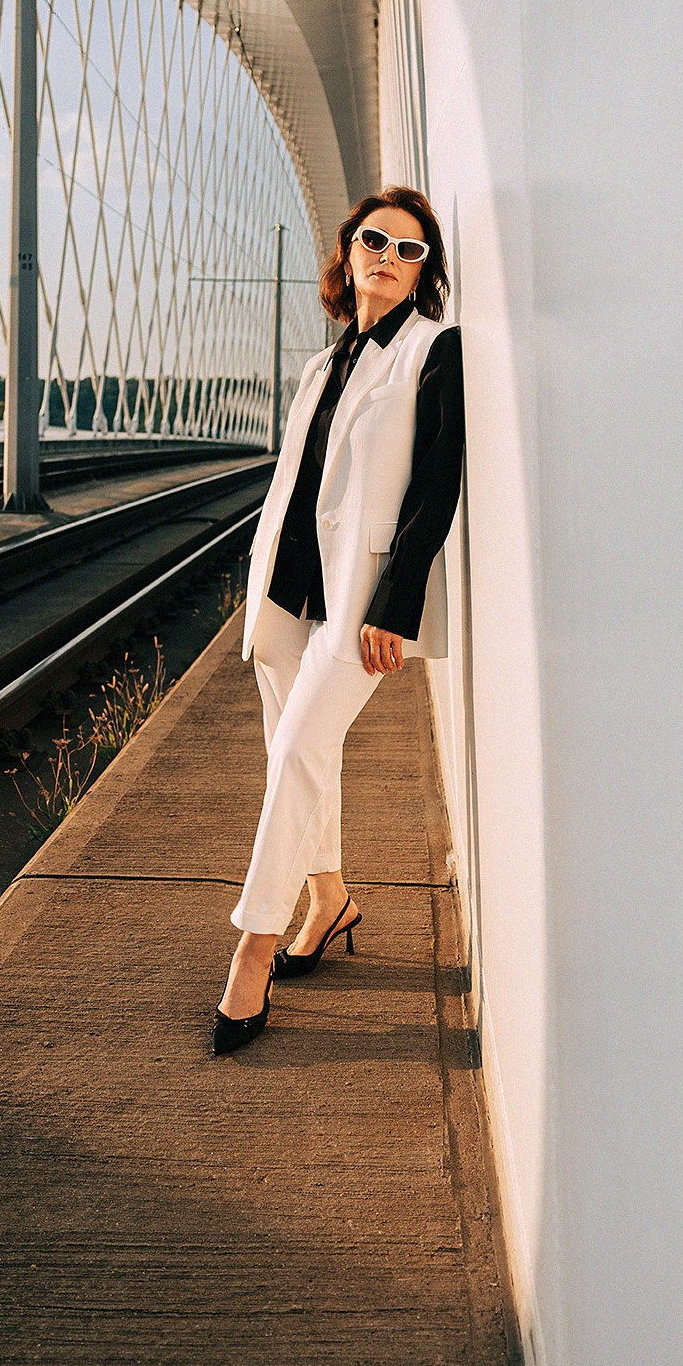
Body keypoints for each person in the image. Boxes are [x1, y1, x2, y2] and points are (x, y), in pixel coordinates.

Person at [213, 184, 465, 1055]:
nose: (390, 258)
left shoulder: (436, 350)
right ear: (347, 250)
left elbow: (436, 487)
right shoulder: (324, 365)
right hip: (290, 591)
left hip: (359, 599)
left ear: (425, 271)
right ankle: (329, 900)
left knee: (295, 752)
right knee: (300, 752)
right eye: (375, 240)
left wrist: (397, 605)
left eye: (411, 250)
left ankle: (252, 947)